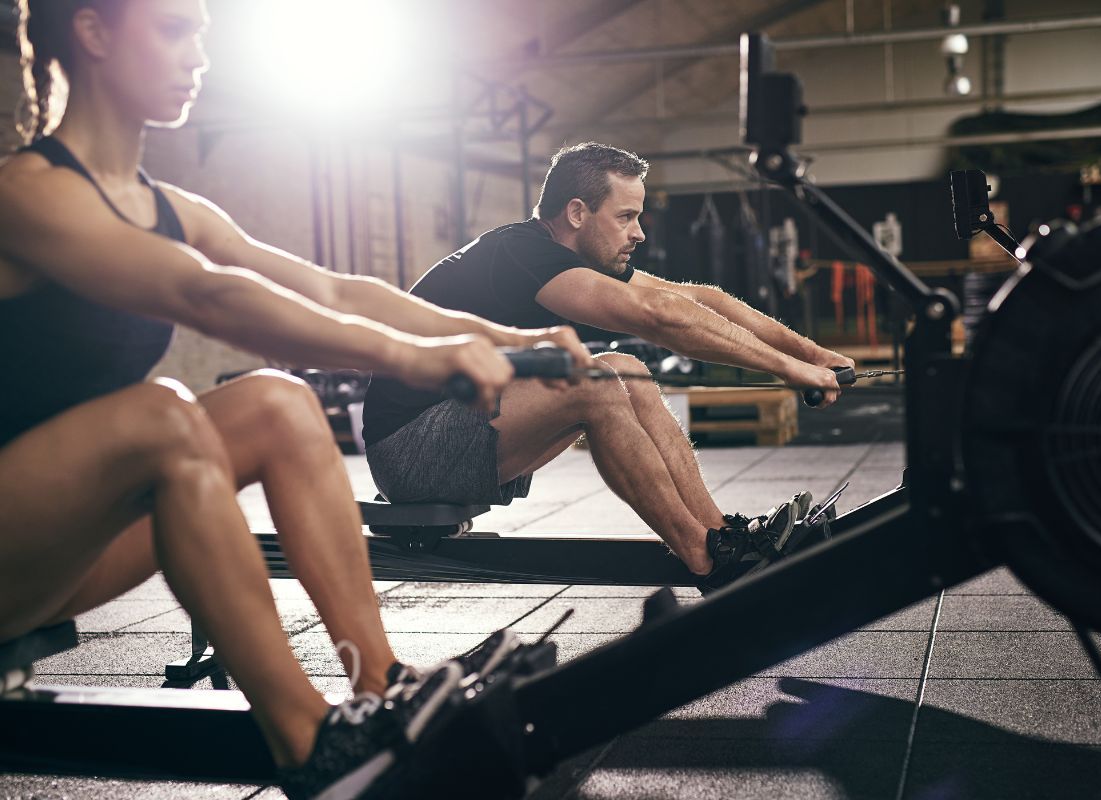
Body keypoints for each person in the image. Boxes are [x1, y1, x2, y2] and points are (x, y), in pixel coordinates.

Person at [0, 1, 591, 797]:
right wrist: (419, 358)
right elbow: (204, 295)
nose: (198, 55)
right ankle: (309, 742)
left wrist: (508, 340)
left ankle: (382, 685)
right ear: (94, 32)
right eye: (174, 30)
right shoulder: (27, 195)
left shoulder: (171, 209)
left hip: (60, 553)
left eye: (203, 34)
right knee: (163, 416)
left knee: (277, 403)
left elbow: (332, 289)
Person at [363, 142, 855, 592]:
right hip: (412, 448)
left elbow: (701, 299)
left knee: (625, 369)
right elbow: (660, 317)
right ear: (577, 212)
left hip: (461, 426)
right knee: (596, 385)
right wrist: (788, 371)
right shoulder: (521, 254)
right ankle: (706, 560)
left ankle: (722, 536)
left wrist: (808, 354)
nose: (638, 232)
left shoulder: (560, 253)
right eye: (625, 217)